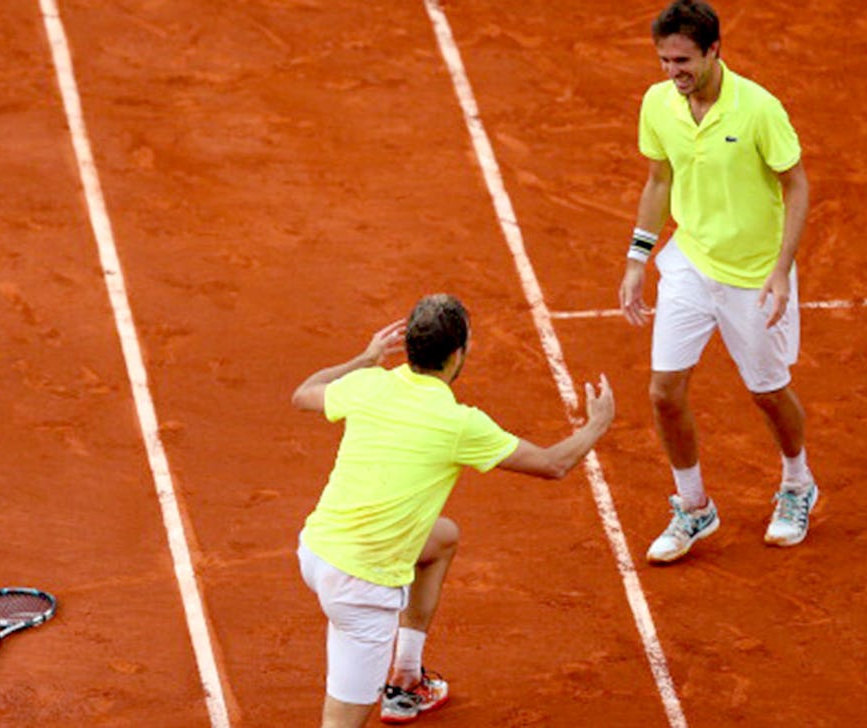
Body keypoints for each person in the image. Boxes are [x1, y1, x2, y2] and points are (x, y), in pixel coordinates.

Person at [292, 293, 615, 727]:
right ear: (458, 354)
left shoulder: (370, 383)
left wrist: (365, 359)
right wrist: (596, 425)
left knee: (441, 538)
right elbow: (553, 464)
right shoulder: (459, 423)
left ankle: (407, 675)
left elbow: (303, 394)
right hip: (361, 585)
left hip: (316, 551)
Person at [618, 0, 818, 564]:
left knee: (767, 392)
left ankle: (798, 483)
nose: (672, 72)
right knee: (663, 392)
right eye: (664, 60)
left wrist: (781, 270)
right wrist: (637, 258)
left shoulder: (758, 109)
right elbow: (659, 181)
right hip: (691, 263)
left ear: (713, 51)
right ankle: (694, 506)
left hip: (755, 276)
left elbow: (796, 187)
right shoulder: (659, 103)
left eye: (683, 61)